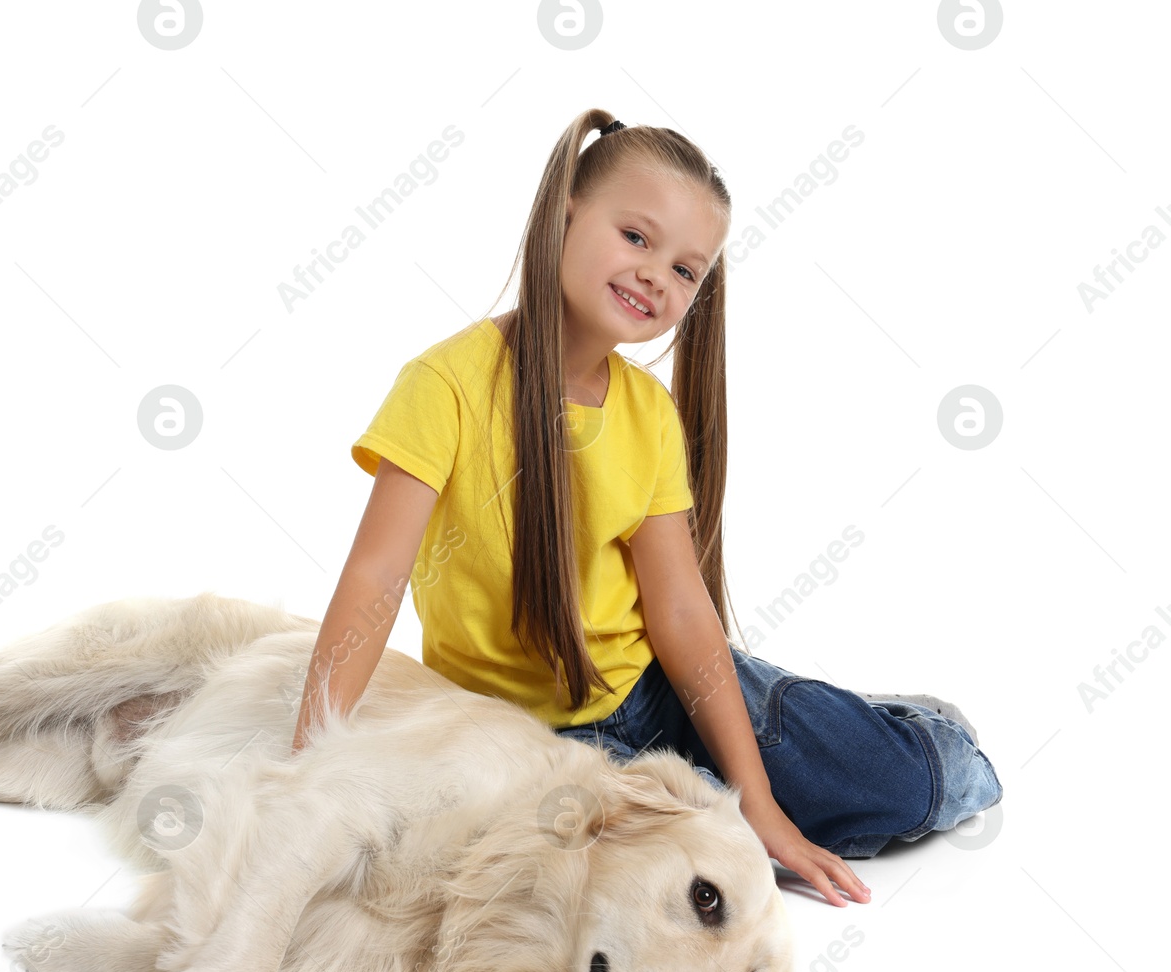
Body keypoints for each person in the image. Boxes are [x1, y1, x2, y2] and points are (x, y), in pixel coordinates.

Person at [288, 109, 1003, 909]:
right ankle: (824, 750)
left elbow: (681, 612)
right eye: (637, 237)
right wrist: (310, 756)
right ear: (564, 218)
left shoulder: (648, 412)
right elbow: (375, 578)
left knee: (904, 789)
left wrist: (761, 800)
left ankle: (910, 732)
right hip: (538, 745)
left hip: (661, 685)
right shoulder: (445, 384)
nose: (657, 275)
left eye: (688, 269)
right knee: (702, 861)